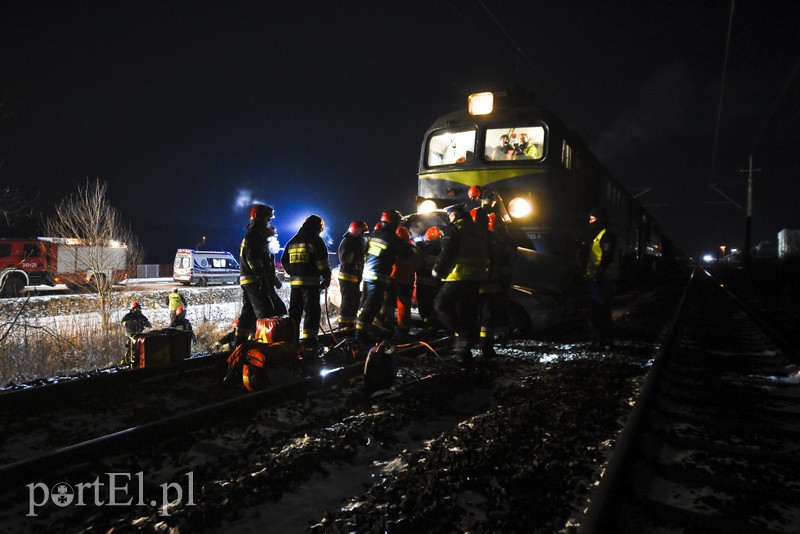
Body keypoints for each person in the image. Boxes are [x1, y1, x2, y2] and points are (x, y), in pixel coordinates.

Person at [432, 205, 490, 366]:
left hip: (458, 276)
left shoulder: (455, 228)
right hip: (477, 278)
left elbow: (447, 250)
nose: (449, 218)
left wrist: (437, 270)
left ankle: (465, 335)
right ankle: (463, 353)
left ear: (454, 215)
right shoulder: (479, 230)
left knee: (441, 306)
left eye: (449, 215)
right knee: (465, 312)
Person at [235, 204, 286, 347]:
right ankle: (263, 345)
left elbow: (264, 261)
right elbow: (254, 260)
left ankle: (240, 343)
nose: (268, 221)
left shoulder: (257, 234)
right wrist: (263, 278)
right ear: (259, 217)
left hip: (252, 279)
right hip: (254, 280)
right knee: (264, 311)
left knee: (248, 314)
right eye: (267, 218)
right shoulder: (254, 235)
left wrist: (273, 278)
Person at [281, 214, 331, 348]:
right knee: (312, 312)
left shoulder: (292, 241)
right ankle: (309, 342)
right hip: (311, 284)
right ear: (318, 227)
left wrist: (294, 272)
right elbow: (322, 263)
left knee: (294, 313)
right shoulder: (316, 240)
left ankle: (292, 342)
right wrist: (326, 277)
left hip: (295, 284)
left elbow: (284, 261)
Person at [355, 209, 403, 343]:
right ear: (393, 223)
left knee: (366, 303)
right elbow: (404, 252)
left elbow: (365, 251)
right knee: (373, 305)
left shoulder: (374, 235)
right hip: (378, 277)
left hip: (368, 275)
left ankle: (371, 328)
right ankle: (361, 334)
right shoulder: (392, 239)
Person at [472, 207, 514, 358]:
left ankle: (476, 346)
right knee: (488, 317)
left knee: (479, 316)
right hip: (491, 285)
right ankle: (486, 347)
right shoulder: (496, 240)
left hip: (474, 285)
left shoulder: (472, 239)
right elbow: (506, 263)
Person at [582, 207, 618, 349]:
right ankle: (602, 340)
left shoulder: (606, 236)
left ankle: (603, 341)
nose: (590, 222)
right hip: (600, 279)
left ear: (601, 220)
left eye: (593, 219)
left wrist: (598, 275)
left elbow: (606, 257)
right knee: (599, 311)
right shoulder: (601, 235)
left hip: (603, 280)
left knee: (599, 312)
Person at [383, 225, 423, 339]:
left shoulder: (394, 247)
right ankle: (403, 329)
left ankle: (388, 328)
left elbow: (387, 262)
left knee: (389, 305)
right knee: (404, 306)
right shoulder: (414, 249)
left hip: (394, 280)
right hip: (408, 282)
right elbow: (419, 266)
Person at [337, 221, 369, 329]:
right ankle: (343, 324)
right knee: (347, 301)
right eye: (362, 232)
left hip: (355, 277)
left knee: (355, 301)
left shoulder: (359, 242)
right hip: (346, 276)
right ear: (356, 231)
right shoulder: (347, 242)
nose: (363, 235)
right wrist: (358, 256)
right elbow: (344, 258)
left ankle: (350, 323)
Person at [416, 226, 443, 332]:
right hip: (437, 283)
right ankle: (435, 325)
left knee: (424, 306)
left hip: (422, 283)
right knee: (435, 305)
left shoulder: (422, 248)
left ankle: (429, 325)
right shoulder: (443, 249)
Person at [121, 300, 151, 365]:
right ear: (133, 309)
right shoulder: (128, 316)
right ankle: (126, 363)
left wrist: (145, 323)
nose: (138, 310)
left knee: (138, 349)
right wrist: (128, 323)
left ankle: (136, 362)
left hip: (138, 335)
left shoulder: (141, 316)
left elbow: (148, 324)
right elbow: (122, 322)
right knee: (131, 349)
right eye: (137, 308)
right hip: (130, 335)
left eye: (139, 308)